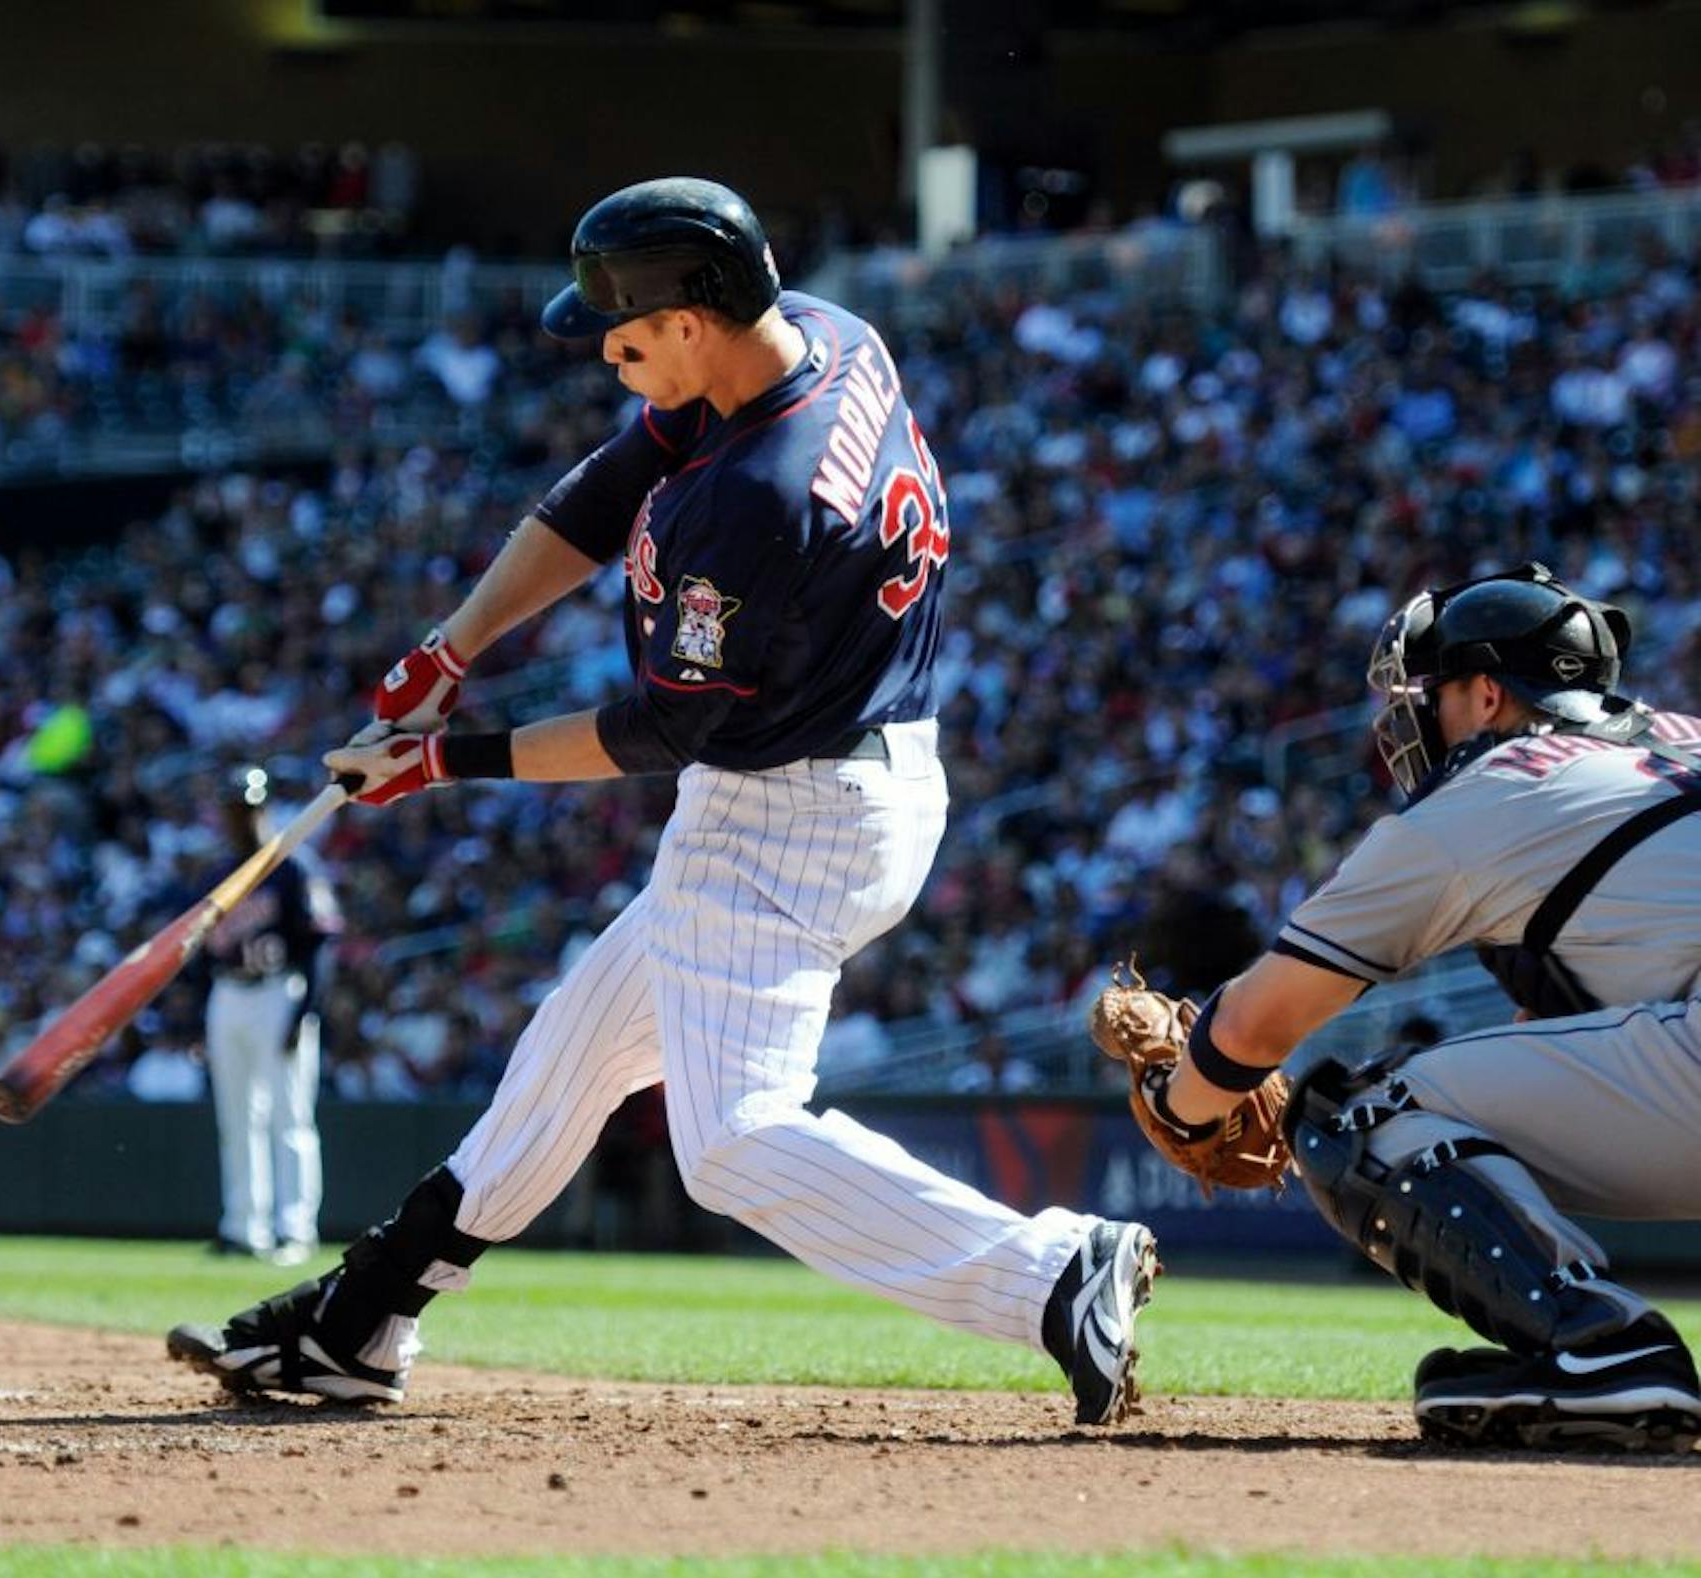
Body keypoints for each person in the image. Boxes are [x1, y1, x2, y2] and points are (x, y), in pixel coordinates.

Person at [168, 176, 1156, 1425]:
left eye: (625, 335)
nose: (611, 356)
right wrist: (453, 647)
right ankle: (360, 1320)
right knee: (570, 1060)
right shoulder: (823, 335)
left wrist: (441, 761)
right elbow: (604, 488)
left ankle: (1051, 1275)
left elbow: (663, 728)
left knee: (733, 1141)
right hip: (857, 777)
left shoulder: (755, 493)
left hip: (788, 816)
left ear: (691, 320)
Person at [1155, 563, 1701, 1450]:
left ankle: (1602, 1352)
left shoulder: (1492, 788)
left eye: (1436, 690)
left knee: (1358, 1112)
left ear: (1487, 694)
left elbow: (1256, 1027)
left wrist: (1176, 1105)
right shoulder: (1676, 741)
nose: (1419, 714)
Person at [199, 765, 341, 1263]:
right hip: (229, 994)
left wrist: (305, 1011)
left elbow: (322, 947)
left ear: (264, 808)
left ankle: (295, 1228)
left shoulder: (295, 868)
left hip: (281, 991)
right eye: (233, 809)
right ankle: (242, 1226)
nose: (241, 817)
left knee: (290, 1116)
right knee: (236, 1117)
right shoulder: (219, 875)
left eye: (248, 807)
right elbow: (203, 953)